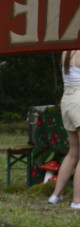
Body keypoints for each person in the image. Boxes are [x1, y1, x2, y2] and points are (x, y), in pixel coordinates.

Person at [49, 50, 80, 207]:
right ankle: (77, 201)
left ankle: (55, 195)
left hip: (67, 100)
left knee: (73, 152)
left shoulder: (65, 52)